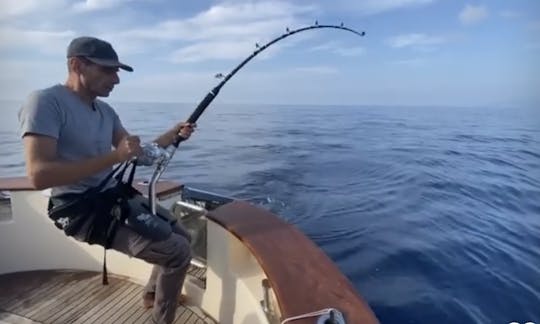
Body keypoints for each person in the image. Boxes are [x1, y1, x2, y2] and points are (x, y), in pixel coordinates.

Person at [18, 36, 195, 324]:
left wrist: (172, 135)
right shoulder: (45, 102)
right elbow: (39, 176)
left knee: (184, 237)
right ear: (77, 65)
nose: (116, 79)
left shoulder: (106, 111)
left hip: (112, 197)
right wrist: (114, 158)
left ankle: (152, 295)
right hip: (80, 209)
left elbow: (137, 154)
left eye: (117, 72)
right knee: (177, 252)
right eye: (108, 70)